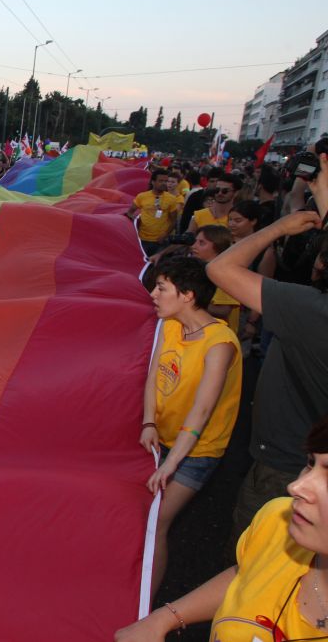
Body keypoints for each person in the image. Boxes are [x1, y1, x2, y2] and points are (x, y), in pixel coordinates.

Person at [115, 417, 328, 641]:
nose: (295, 486)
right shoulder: (280, 521)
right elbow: (249, 572)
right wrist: (163, 619)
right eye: (310, 464)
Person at [206, 152, 328, 543]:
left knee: (253, 565)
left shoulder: (311, 311)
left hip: (287, 466)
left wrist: (279, 228)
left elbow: (221, 270)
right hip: (304, 458)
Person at [140, 255, 241, 600]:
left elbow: (202, 410)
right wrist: (148, 421)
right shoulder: (169, 325)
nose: (153, 293)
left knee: (156, 524)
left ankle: (144, 608)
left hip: (197, 451)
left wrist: (171, 464)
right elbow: (154, 374)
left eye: (162, 287)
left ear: (187, 295)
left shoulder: (220, 344)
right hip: (164, 437)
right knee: (144, 515)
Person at [126, 169, 179, 256]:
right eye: (161, 181)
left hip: (160, 241)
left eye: (166, 181)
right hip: (142, 239)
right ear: (153, 182)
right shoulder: (142, 196)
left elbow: (174, 221)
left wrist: (165, 235)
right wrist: (134, 221)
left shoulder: (171, 199)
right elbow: (130, 212)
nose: (164, 183)